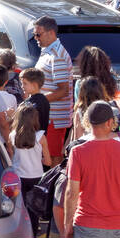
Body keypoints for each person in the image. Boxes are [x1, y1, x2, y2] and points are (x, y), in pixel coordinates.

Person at [64, 100, 120, 238]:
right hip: (119, 226)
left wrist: (67, 223)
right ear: (110, 122)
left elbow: (71, 193)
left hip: (86, 225)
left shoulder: (77, 152)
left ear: (88, 122)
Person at [33, 16, 73, 161]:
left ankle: (55, 184)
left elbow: (63, 90)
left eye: (38, 34)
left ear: (51, 33)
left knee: (53, 159)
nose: (36, 38)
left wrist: (38, 99)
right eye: (34, 34)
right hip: (48, 116)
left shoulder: (57, 55)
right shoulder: (48, 51)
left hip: (55, 120)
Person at [10, 102, 51, 224]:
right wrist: (41, 160)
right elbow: (48, 162)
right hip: (36, 176)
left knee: (20, 208)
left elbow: (12, 158)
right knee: (34, 210)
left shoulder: (12, 136)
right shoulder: (41, 137)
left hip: (19, 176)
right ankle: (33, 233)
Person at [19, 67, 52, 140]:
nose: (22, 86)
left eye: (25, 83)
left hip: (35, 140)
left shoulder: (39, 101)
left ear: (34, 84)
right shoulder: (32, 100)